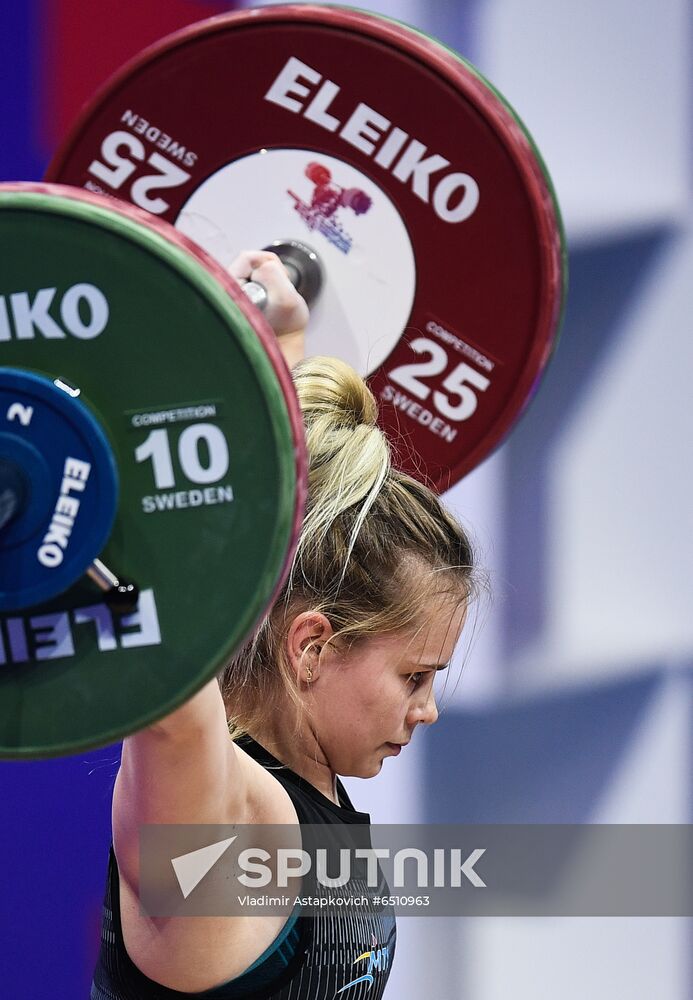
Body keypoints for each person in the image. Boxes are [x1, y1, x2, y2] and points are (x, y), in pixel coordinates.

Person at [91, 252, 477, 1000]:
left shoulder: (312, 780)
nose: (427, 709)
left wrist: (277, 340)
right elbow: (173, 702)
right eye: (414, 676)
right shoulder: (223, 816)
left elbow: (279, 491)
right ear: (310, 647)